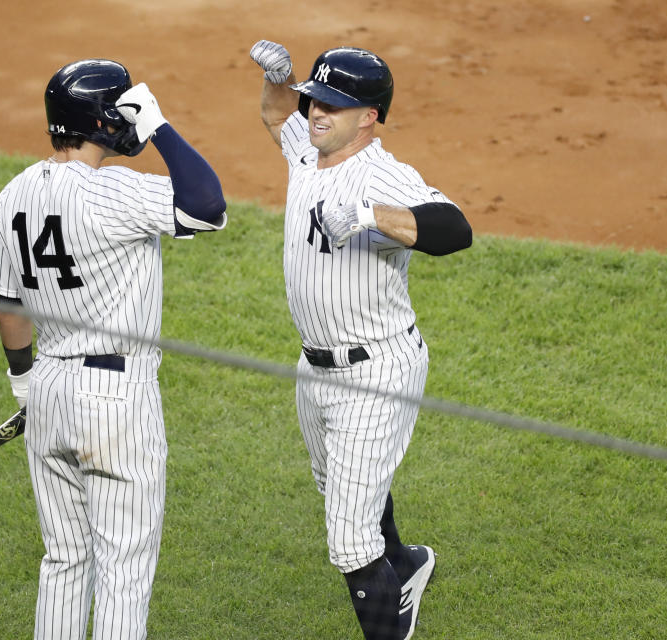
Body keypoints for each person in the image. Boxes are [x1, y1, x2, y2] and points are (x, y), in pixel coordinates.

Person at [0, 58, 226, 640]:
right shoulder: (113, 192)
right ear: (102, 119)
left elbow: (8, 301)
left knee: (64, 560)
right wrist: (161, 126)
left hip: (47, 386)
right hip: (116, 399)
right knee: (124, 567)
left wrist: (24, 383)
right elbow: (207, 207)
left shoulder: (12, 195)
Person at [249, 40, 472, 640]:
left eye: (332, 105)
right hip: (314, 369)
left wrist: (373, 215)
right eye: (314, 99)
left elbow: (455, 229)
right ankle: (405, 565)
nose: (315, 112)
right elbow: (276, 116)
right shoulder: (306, 150)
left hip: (377, 370)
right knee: (344, 491)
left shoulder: (383, 173)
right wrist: (282, 80)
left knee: (348, 539)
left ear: (369, 116)